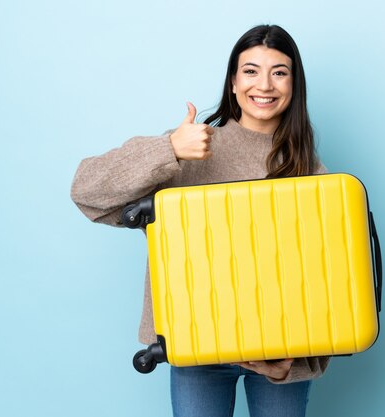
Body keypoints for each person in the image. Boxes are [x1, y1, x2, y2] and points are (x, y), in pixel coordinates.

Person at [71, 24, 329, 417]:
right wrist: (168, 147)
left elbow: (328, 283)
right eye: (251, 71)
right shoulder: (191, 147)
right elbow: (87, 192)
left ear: (294, 86)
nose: (265, 84)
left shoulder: (312, 174)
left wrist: (296, 366)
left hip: (282, 350)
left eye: (279, 71)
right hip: (197, 346)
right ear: (232, 83)